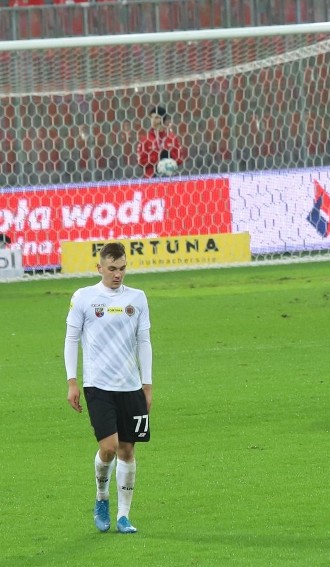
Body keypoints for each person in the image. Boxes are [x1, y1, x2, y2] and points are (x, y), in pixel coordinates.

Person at [65, 242, 153, 533]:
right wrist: (72, 381)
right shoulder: (84, 298)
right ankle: (102, 498)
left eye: (123, 268)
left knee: (128, 450)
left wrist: (147, 385)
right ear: (99, 268)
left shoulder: (138, 298)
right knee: (109, 448)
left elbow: (144, 342)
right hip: (98, 386)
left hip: (130, 386)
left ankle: (124, 516)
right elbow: (71, 339)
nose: (118, 274)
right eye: (112, 268)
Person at [137, 106, 185, 178]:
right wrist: (157, 158)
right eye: (152, 117)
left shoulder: (172, 138)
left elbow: (180, 159)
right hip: (152, 178)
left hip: (170, 177)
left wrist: (169, 156)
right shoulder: (145, 139)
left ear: (163, 119)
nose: (153, 120)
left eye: (156, 118)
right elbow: (140, 161)